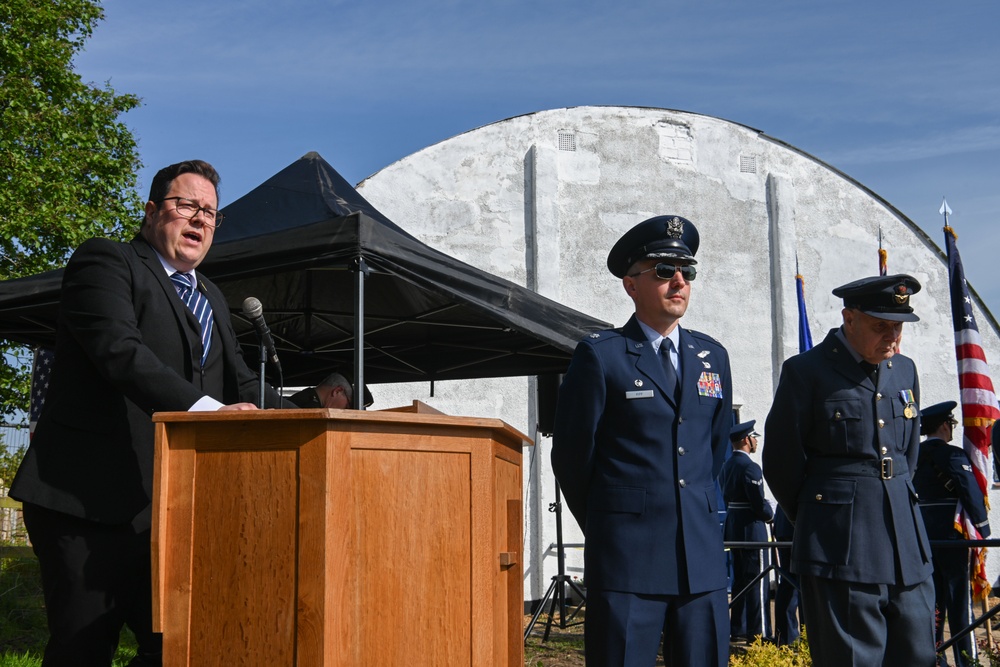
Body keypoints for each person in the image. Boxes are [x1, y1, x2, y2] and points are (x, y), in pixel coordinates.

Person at [10, 160, 290, 667]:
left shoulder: (210, 297)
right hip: (86, 504)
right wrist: (209, 411)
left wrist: (321, 421)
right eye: (186, 205)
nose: (200, 220)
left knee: (178, 648)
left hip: (170, 511)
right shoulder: (106, 262)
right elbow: (120, 351)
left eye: (210, 212)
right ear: (151, 211)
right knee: (82, 652)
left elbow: (245, 384)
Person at [551, 215, 733, 667]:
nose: (678, 282)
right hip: (628, 557)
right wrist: (611, 522)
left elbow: (715, 452)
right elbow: (573, 459)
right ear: (631, 285)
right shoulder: (601, 355)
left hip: (700, 559)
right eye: (662, 271)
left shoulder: (713, 356)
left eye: (686, 272)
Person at [762, 274, 935, 667]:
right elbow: (782, 462)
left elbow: (907, 455)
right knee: (851, 658)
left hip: (906, 541)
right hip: (840, 542)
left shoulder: (904, 370)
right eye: (881, 326)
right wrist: (820, 517)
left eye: (898, 327)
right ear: (849, 318)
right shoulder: (806, 371)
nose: (892, 337)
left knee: (917, 653)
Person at [912, 401, 990, 667]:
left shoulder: (913, 456)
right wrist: (983, 530)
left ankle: (935, 657)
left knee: (932, 602)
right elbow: (970, 492)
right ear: (946, 425)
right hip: (954, 536)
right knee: (960, 605)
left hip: (924, 537)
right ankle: (966, 660)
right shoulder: (954, 456)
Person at [720, 419, 773, 642]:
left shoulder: (726, 466)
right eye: (754, 438)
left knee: (741, 579)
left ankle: (738, 628)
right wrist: (770, 515)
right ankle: (758, 633)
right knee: (757, 581)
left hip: (734, 527)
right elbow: (758, 503)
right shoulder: (750, 467)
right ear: (746, 440)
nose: (756, 442)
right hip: (751, 528)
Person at [771, 504, 801, 646]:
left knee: (789, 583)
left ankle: (785, 636)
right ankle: (790, 637)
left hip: (786, 525)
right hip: (795, 526)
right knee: (796, 584)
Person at [287, 371, 374, 409]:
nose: (346, 411)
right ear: (337, 391)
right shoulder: (310, 408)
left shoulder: (306, 398)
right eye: (347, 406)